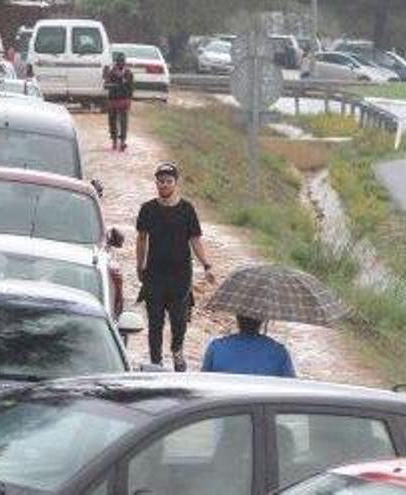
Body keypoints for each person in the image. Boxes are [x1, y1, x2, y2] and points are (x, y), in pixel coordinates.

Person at [136, 162, 215, 371]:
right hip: (154, 274)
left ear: (175, 183)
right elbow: (142, 239)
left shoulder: (187, 210)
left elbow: (195, 240)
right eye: (161, 181)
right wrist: (139, 264)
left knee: (179, 320)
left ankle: (177, 352)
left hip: (180, 276)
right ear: (156, 183)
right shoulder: (147, 209)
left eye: (168, 181)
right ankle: (155, 360)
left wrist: (206, 265)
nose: (164, 185)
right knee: (155, 321)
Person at [201, 314, 296, 378]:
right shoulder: (279, 351)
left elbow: (204, 381)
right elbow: (290, 387)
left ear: (237, 319)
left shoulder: (216, 346)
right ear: (261, 321)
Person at [102, 51, 134, 151]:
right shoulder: (112, 72)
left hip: (121, 100)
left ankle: (121, 141)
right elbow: (105, 85)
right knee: (115, 121)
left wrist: (128, 98)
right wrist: (118, 85)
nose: (121, 63)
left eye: (122, 61)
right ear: (116, 62)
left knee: (121, 121)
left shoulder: (128, 73)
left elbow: (131, 88)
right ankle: (116, 141)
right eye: (119, 61)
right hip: (115, 100)